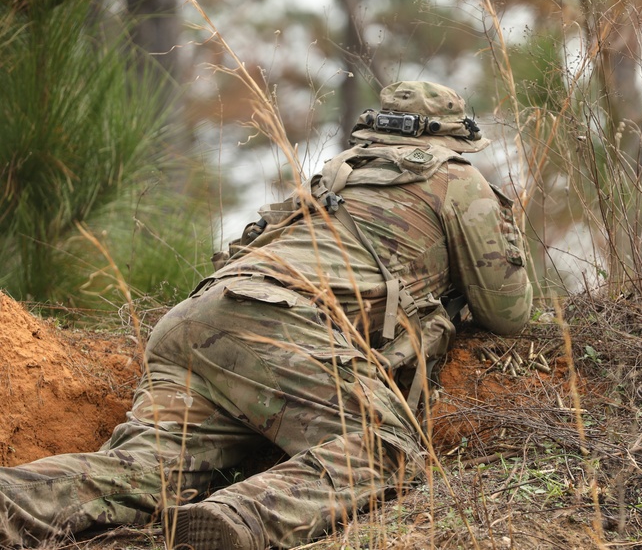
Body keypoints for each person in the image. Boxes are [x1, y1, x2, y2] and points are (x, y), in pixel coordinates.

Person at [0, 81, 533, 550]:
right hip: (280, 323)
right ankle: (238, 519)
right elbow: (508, 312)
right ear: (451, 140)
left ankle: (12, 501)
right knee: (385, 450)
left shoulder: (334, 177)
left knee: (144, 471)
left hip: (194, 321)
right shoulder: (457, 179)